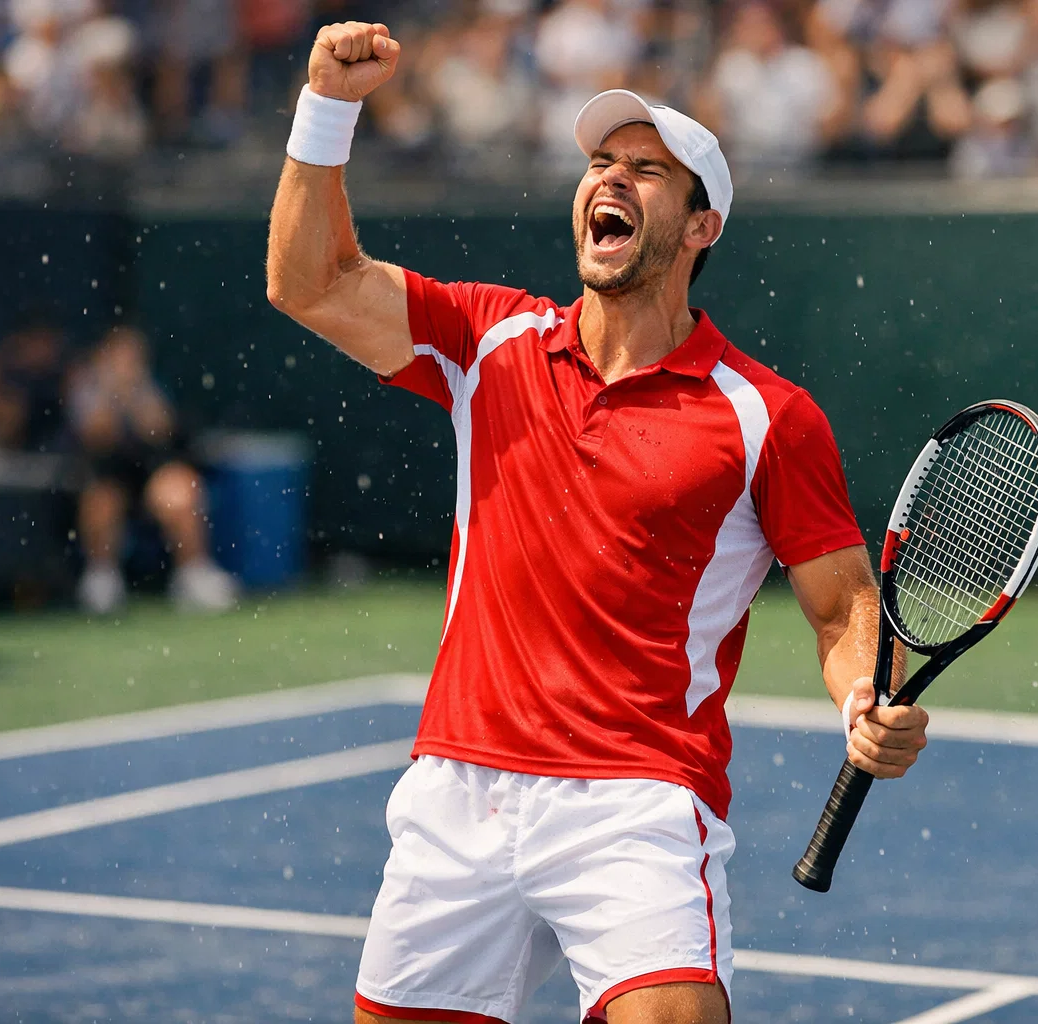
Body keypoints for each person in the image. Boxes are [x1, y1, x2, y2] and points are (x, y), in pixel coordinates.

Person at [266, 22, 930, 1024]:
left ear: (700, 227)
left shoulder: (767, 416)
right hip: (461, 788)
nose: (607, 179)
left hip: (639, 801)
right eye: (598, 163)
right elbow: (306, 281)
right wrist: (327, 108)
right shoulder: (490, 340)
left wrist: (860, 705)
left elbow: (843, 608)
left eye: (647, 170)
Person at [70, 325, 239, 614]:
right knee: (101, 501)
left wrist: (133, 394)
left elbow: (159, 430)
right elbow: (96, 436)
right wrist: (113, 393)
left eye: (133, 354)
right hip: (109, 478)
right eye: (120, 354)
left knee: (181, 489)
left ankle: (193, 573)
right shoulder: (86, 389)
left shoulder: (155, 384)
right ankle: (103, 579)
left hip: (153, 473)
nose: (127, 361)